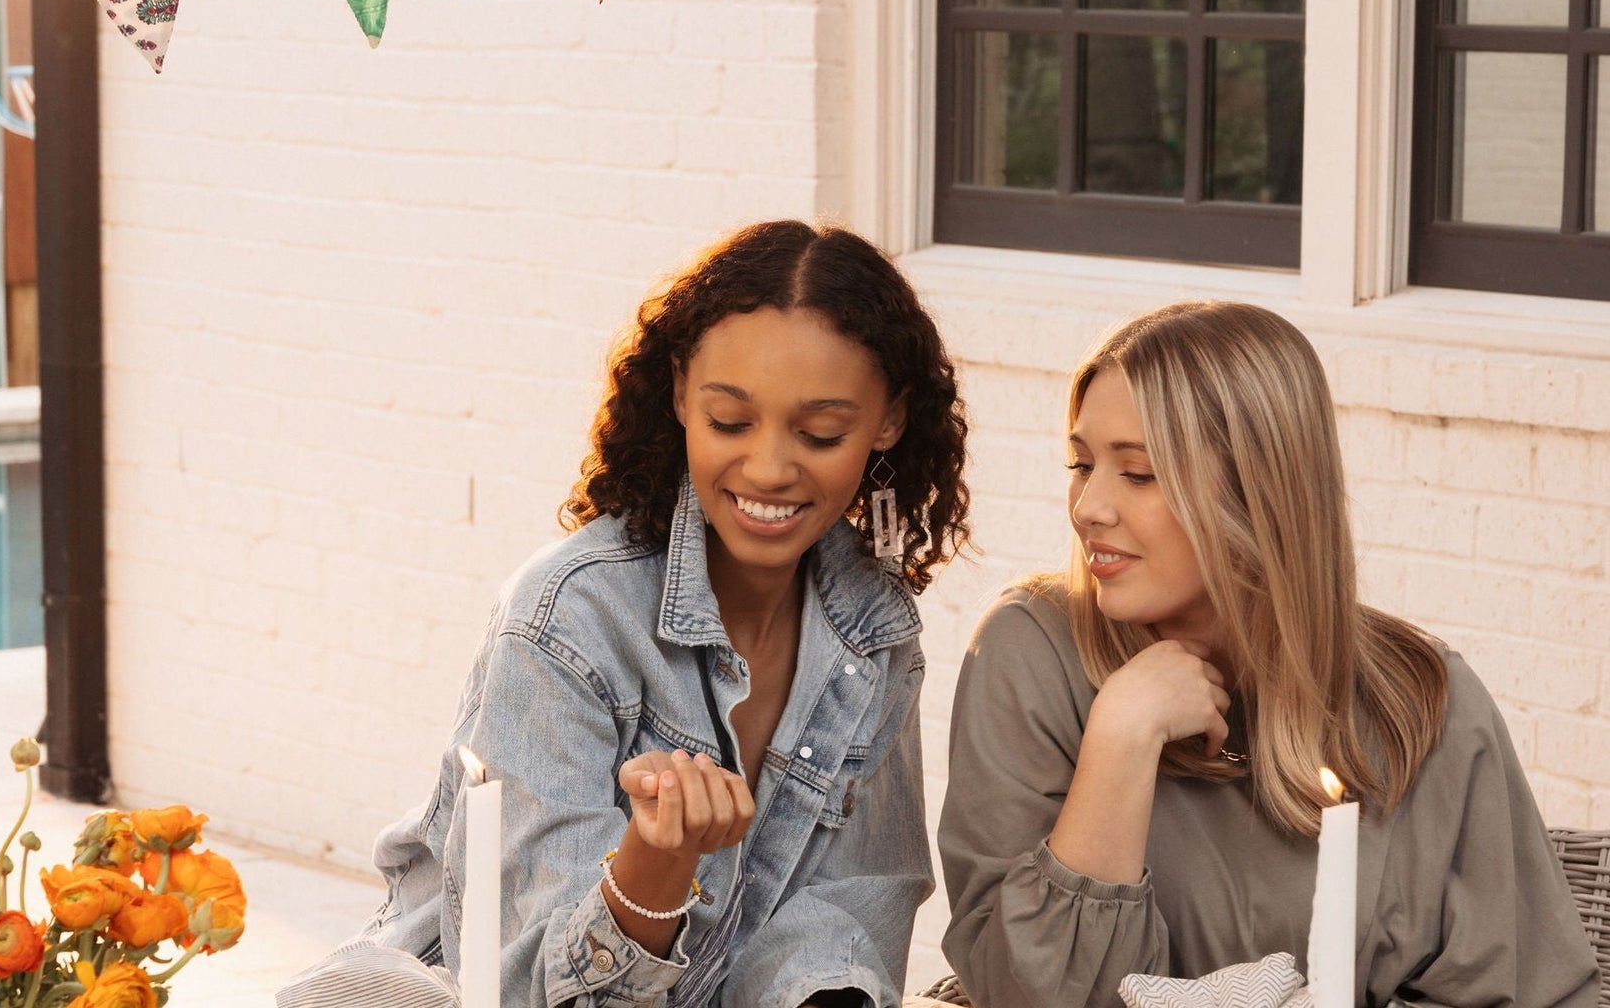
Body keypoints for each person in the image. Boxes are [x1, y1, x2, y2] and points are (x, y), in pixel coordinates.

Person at [282, 219, 971, 1008]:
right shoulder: (567, 619)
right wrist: (655, 860)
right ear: (681, 393)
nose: (770, 468)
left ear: (886, 422)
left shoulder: (873, 634)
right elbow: (529, 988)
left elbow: (847, 910)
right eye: (730, 422)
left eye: (820, 433)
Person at [939, 300, 1597, 1008]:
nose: (1089, 507)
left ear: (1259, 491)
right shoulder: (1031, 655)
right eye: (1081, 464)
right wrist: (1122, 735)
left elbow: (1536, 995)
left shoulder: (1424, 701)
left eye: (1138, 473)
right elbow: (1021, 994)